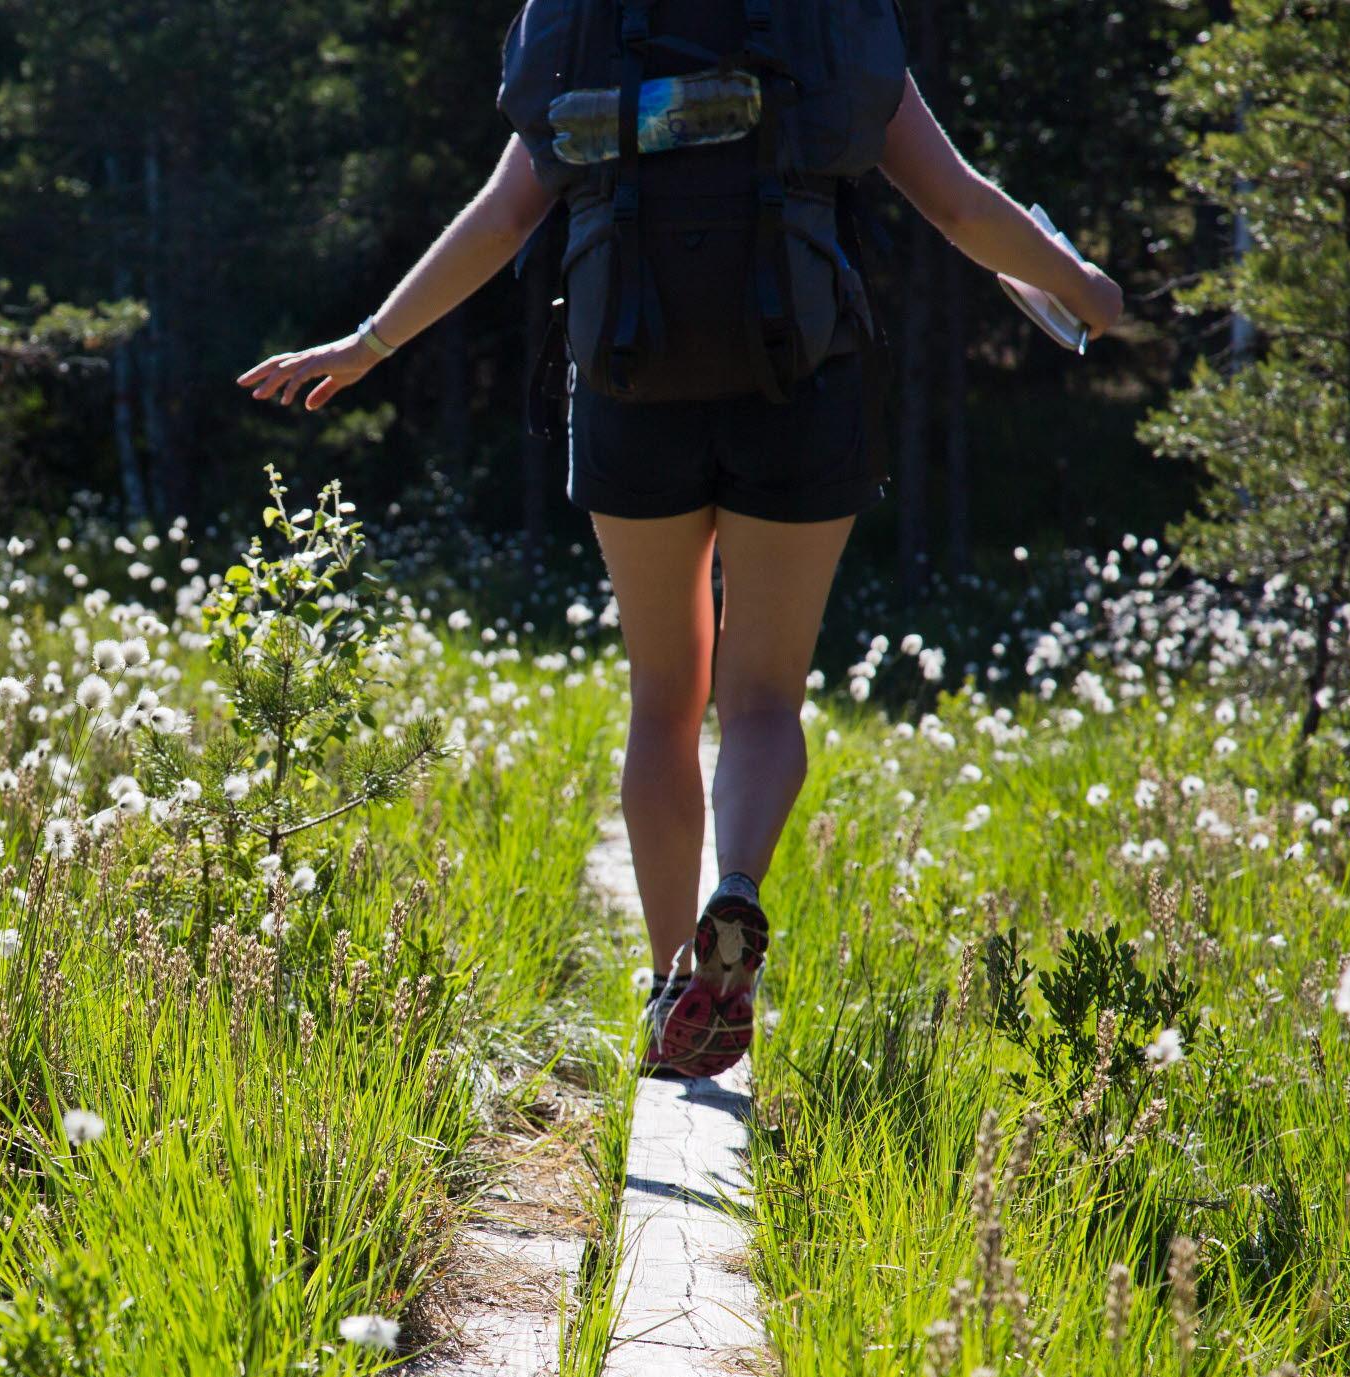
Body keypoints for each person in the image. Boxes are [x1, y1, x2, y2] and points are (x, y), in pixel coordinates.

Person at [236, 70, 1124, 1077]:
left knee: (664, 698)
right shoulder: (826, 18)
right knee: (761, 698)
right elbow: (960, 203)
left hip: (629, 382)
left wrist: (369, 343)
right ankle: (734, 887)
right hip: (802, 383)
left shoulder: (580, 21)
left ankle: (674, 985)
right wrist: (1084, 285)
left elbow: (500, 219)